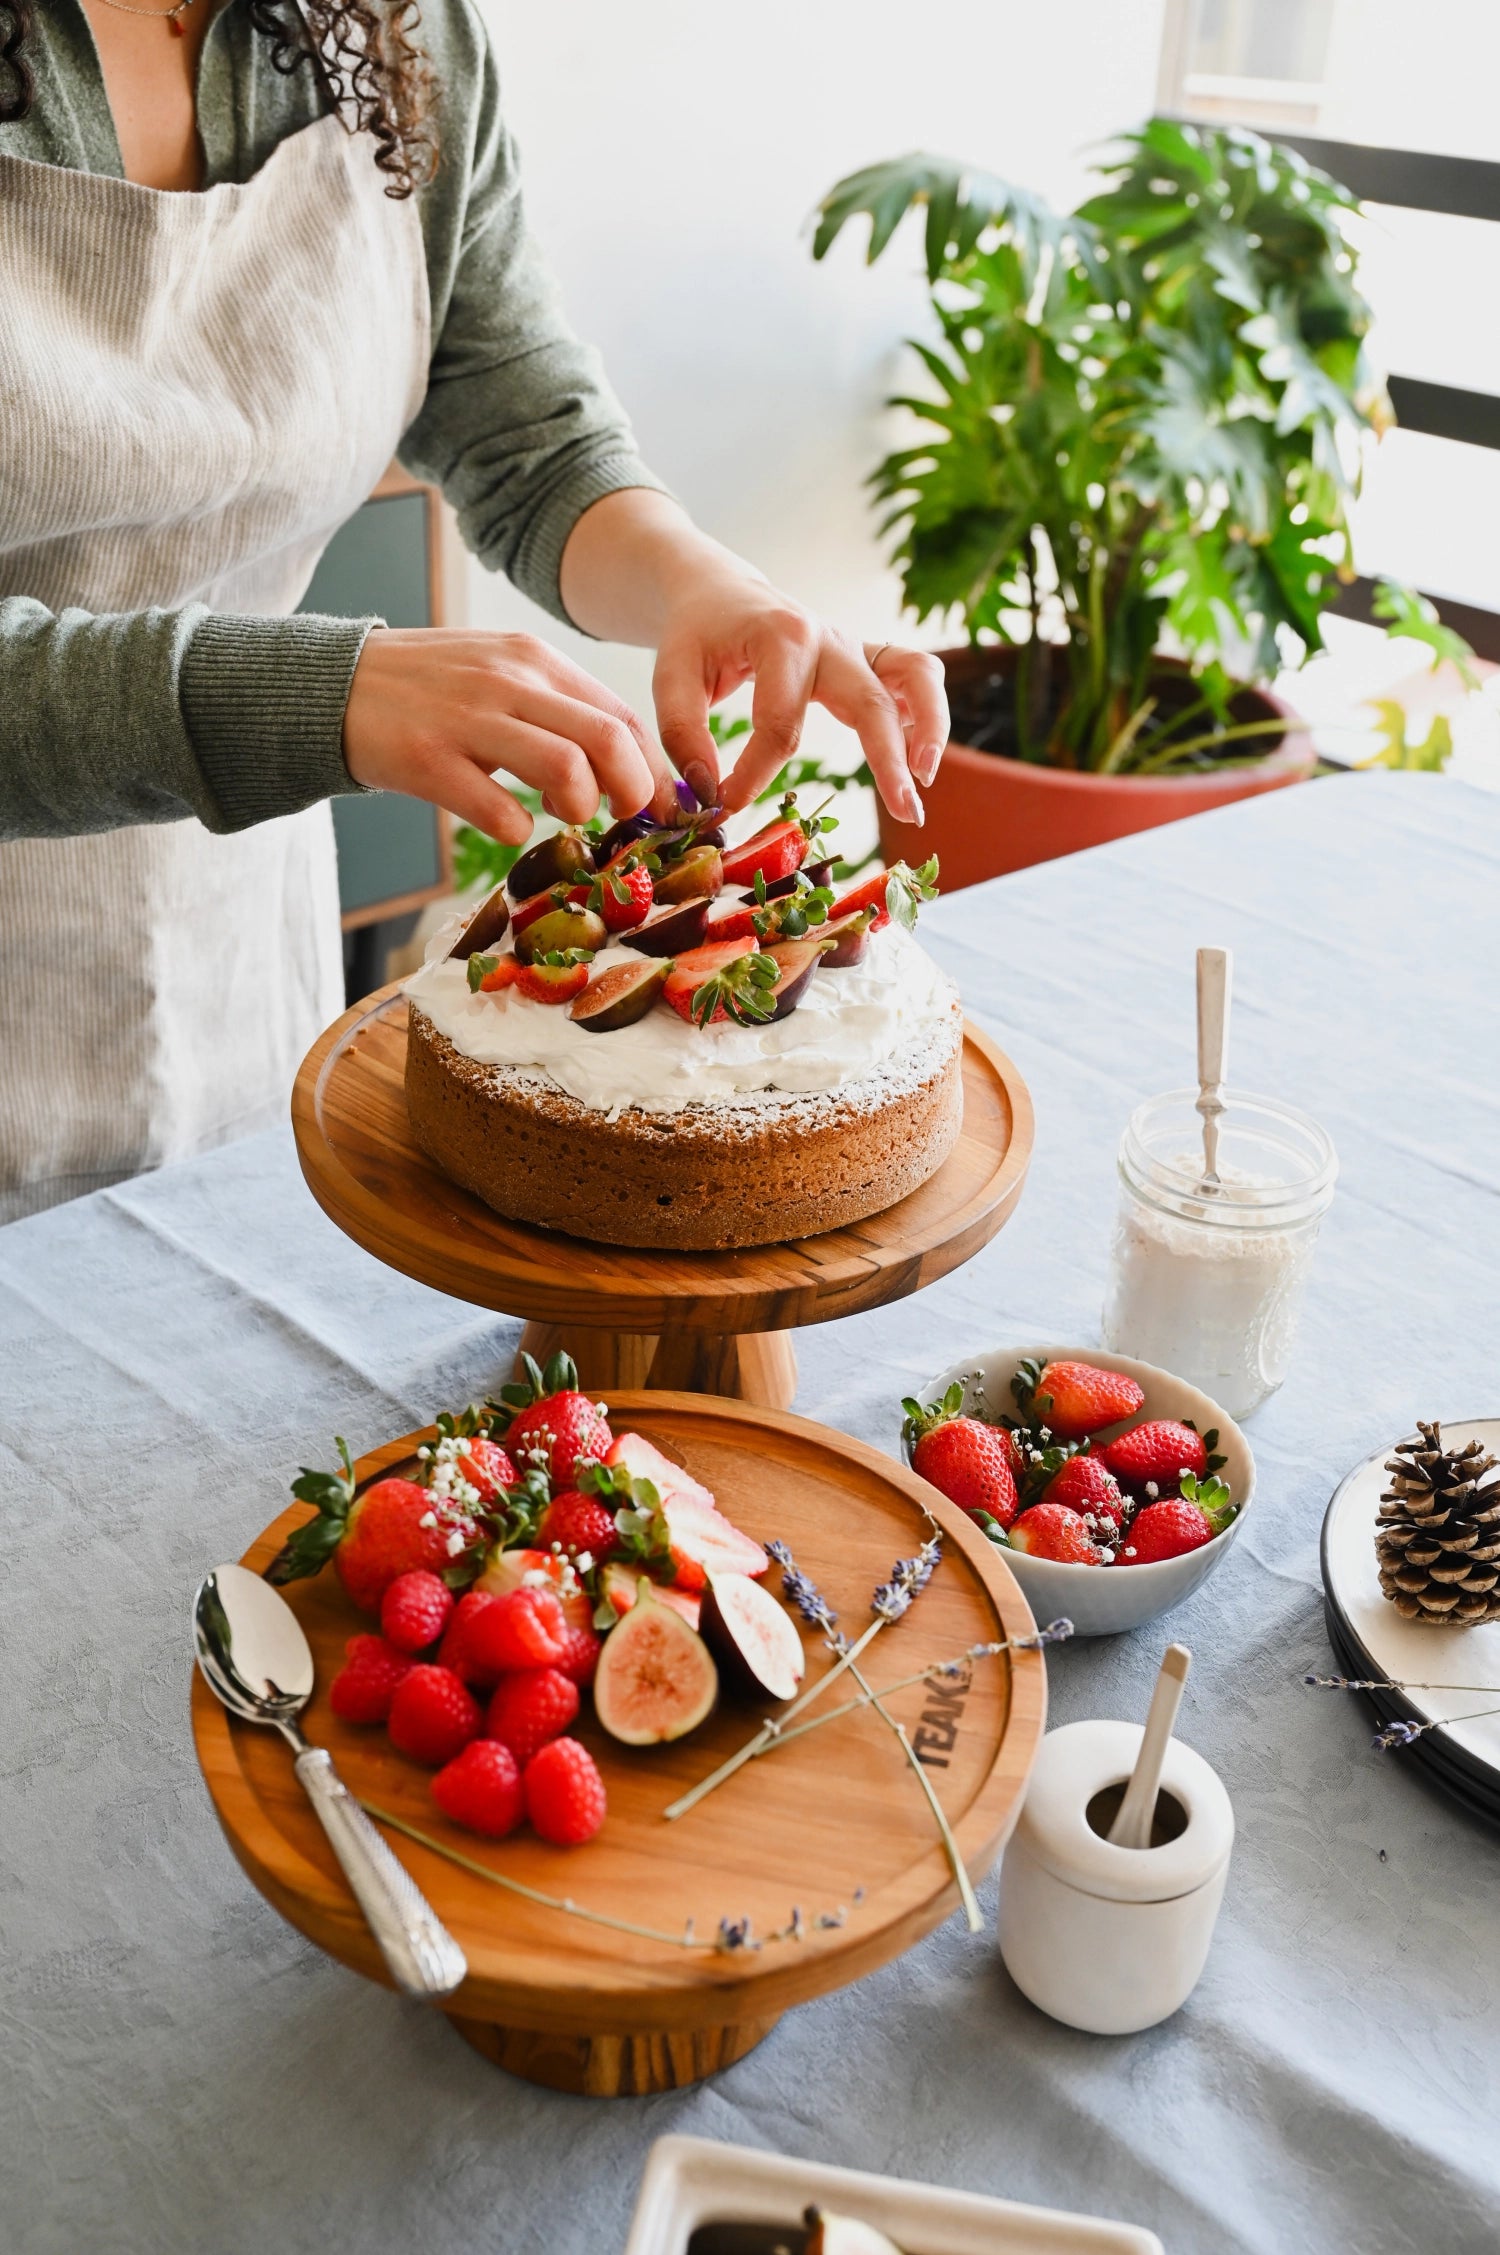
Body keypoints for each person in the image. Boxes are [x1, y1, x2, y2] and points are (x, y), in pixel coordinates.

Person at [0, 0, 948, 1220]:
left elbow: (517, 419)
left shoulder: (394, 29)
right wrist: (321, 692)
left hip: (238, 988)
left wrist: (699, 582)